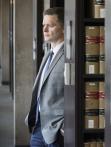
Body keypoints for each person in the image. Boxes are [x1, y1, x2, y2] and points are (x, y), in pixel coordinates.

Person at [25, 7, 64, 147]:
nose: (45, 29)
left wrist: (64, 126)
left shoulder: (70, 57)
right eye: (43, 25)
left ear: (64, 28)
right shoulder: (48, 53)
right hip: (39, 124)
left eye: (51, 25)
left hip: (56, 129)